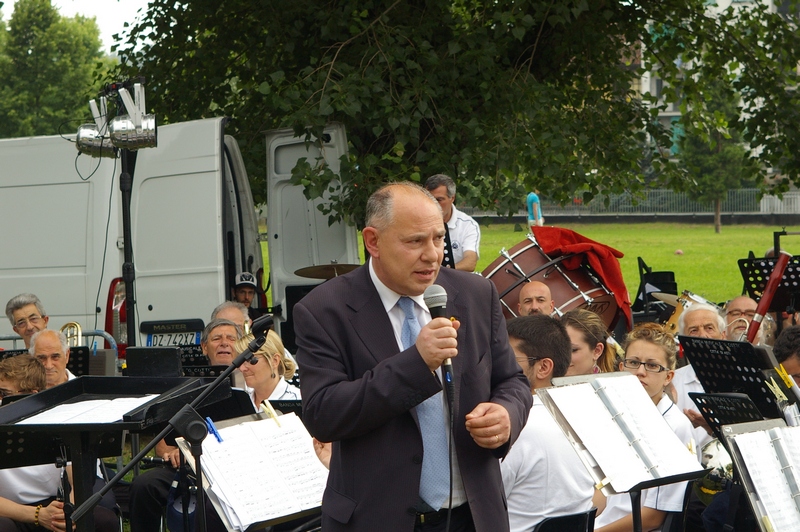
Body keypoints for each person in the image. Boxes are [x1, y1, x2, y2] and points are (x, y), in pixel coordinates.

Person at [294, 182, 532, 531]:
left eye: (438, 238)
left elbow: (513, 381)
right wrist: (416, 363)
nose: (432, 254)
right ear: (373, 241)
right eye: (415, 241)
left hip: (474, 517)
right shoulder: (324, 310)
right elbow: (324, 414)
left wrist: (506, 415)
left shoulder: (476, 293)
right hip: (376, 519)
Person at [128, 319, 244, 532]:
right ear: (203, 347)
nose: (224, 343)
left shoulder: (251, 383)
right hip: (188, 467)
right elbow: (162, 443)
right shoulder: (185, 386)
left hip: (235, 472)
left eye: (231, 338)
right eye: (216, 338)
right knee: (144, 485)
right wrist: (173, 451)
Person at [595, 323, 696, 532]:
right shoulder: (616, 415)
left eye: (652, 366)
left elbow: (653, 517)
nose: (640, 372)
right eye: (633, 362)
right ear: (621, 368)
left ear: (668, 376)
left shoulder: (676, 427)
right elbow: (602, 492)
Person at [0, 355, 118, 532]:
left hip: (55, 505)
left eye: (4, 394)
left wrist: (73, 511)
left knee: (104, 520)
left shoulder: (57, 422)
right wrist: (38, 515)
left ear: (30, 395)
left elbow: (78, 477)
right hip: (11, 511)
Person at [502, 315, 594, 531]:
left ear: (543, 367)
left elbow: (479, 501)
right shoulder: (583, 416)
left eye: (508, 358)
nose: (496, 366)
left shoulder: (517, 425)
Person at [672, 303, 725, 450]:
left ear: (723, 335)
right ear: (683, 342)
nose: (703, 335)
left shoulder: (741, 379)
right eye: (694, 330)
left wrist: (713, 427)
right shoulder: (673, 381)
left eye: (709, 328)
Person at [424, 174, 481, 272]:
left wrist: (442, 272)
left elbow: (470, 262)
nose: (434, 204)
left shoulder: (468, 225)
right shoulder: (417, 221)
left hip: (454, 280)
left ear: (452, 198)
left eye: (439, 200)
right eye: (430, 199)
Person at [235, 329, 300, 408]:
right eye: (240, 361)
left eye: (251, 360)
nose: (242, 368)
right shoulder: (238, 403)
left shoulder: (299, 401)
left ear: (275, 361)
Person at [560, 308, 618, 374]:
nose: (563, 357)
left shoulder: (610, 383)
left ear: (597, 351)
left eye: (573, 350)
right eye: (559, 348)